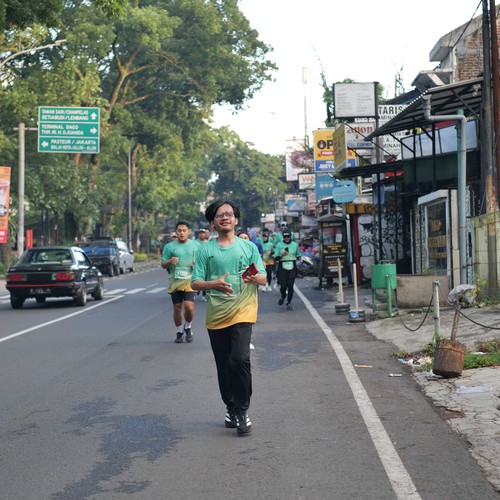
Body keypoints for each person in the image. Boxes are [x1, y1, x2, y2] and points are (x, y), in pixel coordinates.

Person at [192, 200, 266, 436]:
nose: (225, 217)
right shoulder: (205, 250)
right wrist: (213, 284)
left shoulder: (249, 247)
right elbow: (195, 283)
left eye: (229, 213)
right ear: (212, 223)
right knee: (224, 366)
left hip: (244, 311)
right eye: (219, 215)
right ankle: (230, 406)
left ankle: (242, 411)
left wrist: (255, 278)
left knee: (240, 359)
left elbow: (263, 276)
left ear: (236, 220)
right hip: (217, 315)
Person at [161, 221, 198, 343]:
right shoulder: (169, 247)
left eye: (184, 230)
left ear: (189, 232)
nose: (182, 233)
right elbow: (163, 264)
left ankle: (188, 326)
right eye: (179, 231)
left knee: (189, 307)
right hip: (175, 281)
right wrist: (169, 261)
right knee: (177, 307)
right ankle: (179, 331)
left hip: (190, 281)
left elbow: (203, 262)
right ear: (176, 232)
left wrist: (196, 266)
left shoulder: (196, 245)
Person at [273, 229, 303, 310]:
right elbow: (275, 258)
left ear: (290, 237)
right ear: (283, 237)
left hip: (292, 266)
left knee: (290, 285)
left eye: (288, 236)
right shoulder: (279, 245)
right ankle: (283, 296)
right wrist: (281, 255)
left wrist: (300, 258)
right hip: (282, 267)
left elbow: (298, 254)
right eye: (285, 237)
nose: (286, 238)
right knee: (283, 286)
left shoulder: (294, 245)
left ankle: (289, 302)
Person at [195, 228, 210, 301]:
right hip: (196, 263)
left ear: (205, 234)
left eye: (203, 233)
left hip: (205, 263)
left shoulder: (208, 243)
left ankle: (204, 295)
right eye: (200, 233)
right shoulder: (194, 243)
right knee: (196, 277)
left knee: (205, 279)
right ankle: (196, 289)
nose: (201, 234)